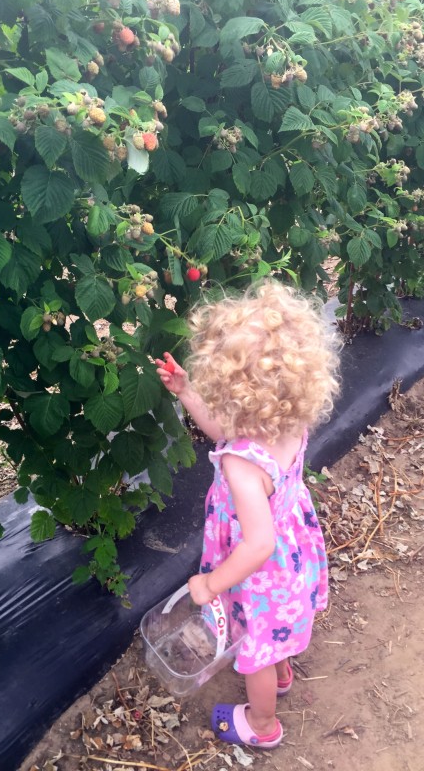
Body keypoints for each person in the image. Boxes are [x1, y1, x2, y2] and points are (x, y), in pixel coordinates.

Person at [156, 280, 340, 749]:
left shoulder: (241, 463)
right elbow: (226, 431)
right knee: (273, 635)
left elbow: (257, 545)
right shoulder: (288, 421)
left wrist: (210, 584)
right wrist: (185, 393)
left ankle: (261, 725)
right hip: (290, 557)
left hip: (258, 569)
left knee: (253, 649)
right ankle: (281, 670)